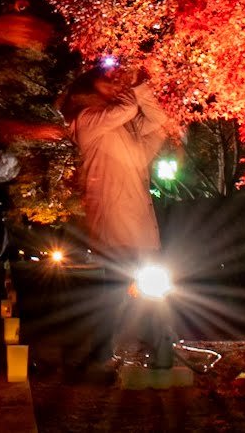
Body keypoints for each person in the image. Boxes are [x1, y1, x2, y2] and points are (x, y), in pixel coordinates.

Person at [58, 59, 179, 377]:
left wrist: (139, 85)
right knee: (113, 293)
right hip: (113, 224)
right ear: (86, 91)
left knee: (147, 290)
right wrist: (132, 87)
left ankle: (154, 348)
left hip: (140, 226)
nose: (115, 86)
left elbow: (159, 119)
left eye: (116, 82)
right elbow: (125, 110)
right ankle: (100, 356)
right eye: (106, 83)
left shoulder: (127, 130)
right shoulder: (87, 121)